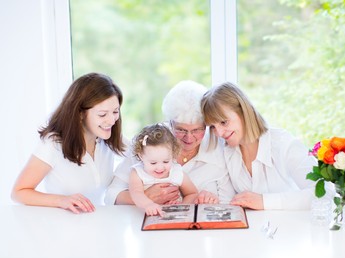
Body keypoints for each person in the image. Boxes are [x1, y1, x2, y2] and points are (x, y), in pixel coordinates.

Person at [105, 80, 236, 205]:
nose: (189, 138)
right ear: (170, 123)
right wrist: (145, 197)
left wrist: (213, 200)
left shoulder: (218, 147)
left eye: (197, 130)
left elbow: (228, 201)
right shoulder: (148, 142)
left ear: (206, 125)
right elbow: (111, 195)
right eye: (181, 130)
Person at [11, 73, 125, 214]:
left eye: (115, 112)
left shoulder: (108, 138)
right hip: (63, 229)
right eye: (102, 114)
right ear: (80, 114)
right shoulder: (53, 144)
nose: (112, 120)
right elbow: (18, 192)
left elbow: (147, 154)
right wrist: (61, 200)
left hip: (98, 224)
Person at [200, 82, 317, 210]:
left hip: (289, 227)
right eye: (212, 126)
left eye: (224, 122)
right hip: (252, 229)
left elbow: (323, 194)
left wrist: (263, 201)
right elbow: (230, 201)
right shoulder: (226, 150)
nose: (219, 133)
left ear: (243, 112)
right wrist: (210, 198)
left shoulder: (284, 144)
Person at [129, 123, 198, 216]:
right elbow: (136, 193)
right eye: (153, 163)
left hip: (173, 216)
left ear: (173, 154)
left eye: (166, 161)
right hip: (145, 215)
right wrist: (148, 204)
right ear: (141, 156)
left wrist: (181, 206)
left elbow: (192, 193)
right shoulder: (137, 173)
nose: (160, 168)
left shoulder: (176, 172)